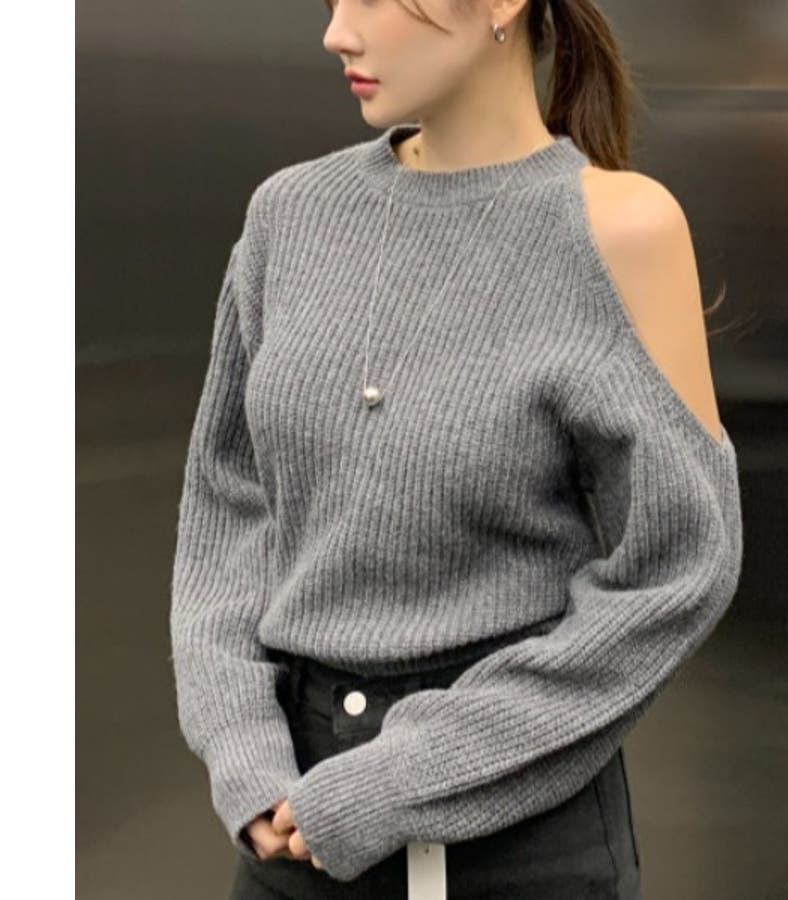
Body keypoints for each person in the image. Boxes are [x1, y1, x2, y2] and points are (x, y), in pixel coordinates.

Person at [168, 1, 744, 898]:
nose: (336, 32)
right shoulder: (290, 215)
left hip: (519, 841)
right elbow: (228, 504)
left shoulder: (621, 231)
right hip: (290, 822)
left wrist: (404, 776)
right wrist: (242, 745)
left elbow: (679, 569)